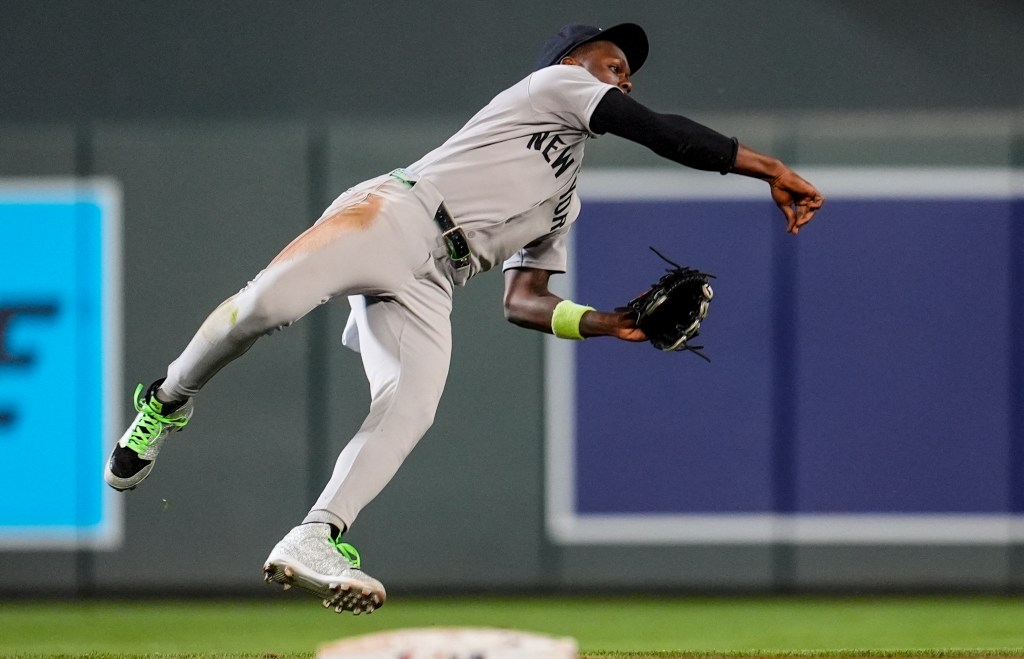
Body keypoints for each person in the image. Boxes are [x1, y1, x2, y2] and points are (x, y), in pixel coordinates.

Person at [105, 22, 824, 615]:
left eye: (628, 69)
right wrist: (770, 169)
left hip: (439, 281)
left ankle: (316, 535)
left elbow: (522, 301)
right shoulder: (556, 86)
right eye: (613, 61)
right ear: (575, 61)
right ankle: (165, 402)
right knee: (267, 307)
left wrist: (611, 322)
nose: (624, 75)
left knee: (412, 406)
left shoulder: (565, 196)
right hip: (396, 214)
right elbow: (663, 133)